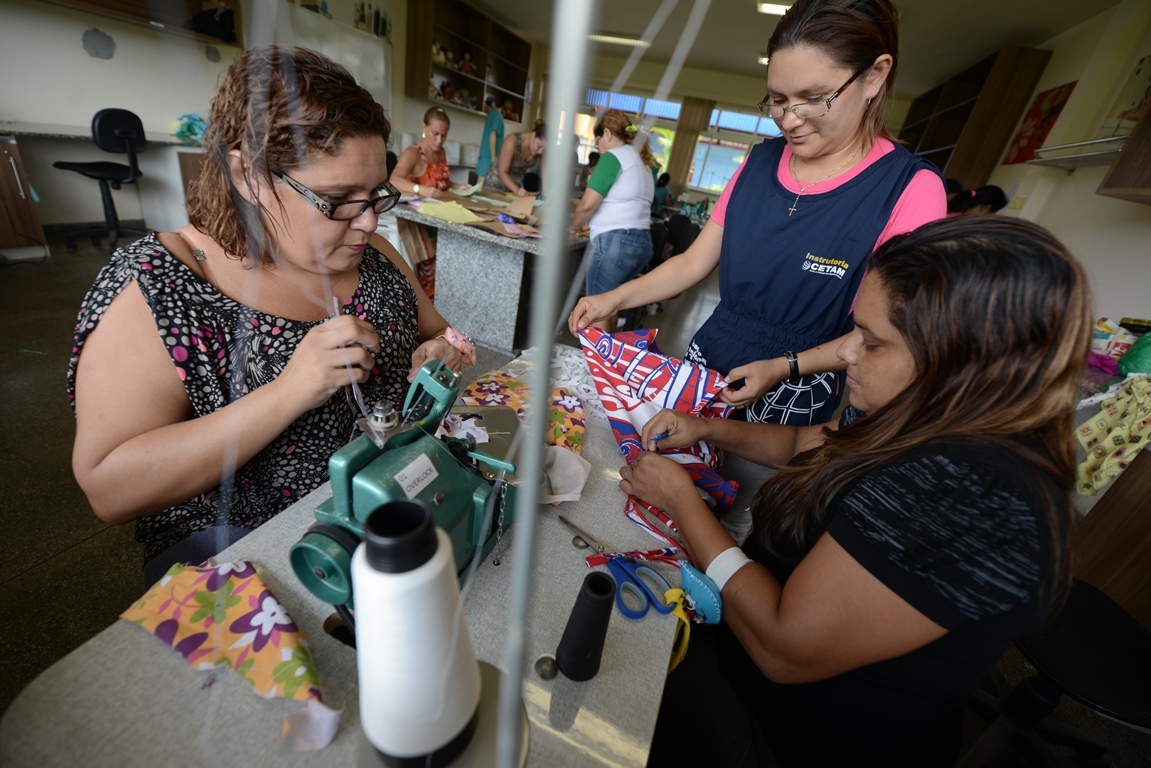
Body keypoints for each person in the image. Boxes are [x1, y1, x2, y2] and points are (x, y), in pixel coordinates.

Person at [632, 216, 1091, 767]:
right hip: (748, 663)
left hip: (788, 736)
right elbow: (809, 440)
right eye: (856, 331)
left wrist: (681, 500)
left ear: (961, 364)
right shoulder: (923, 416)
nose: (847, 354)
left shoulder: (971, 493)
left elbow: (782, 646)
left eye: (872, 343)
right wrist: (707, 428)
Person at [68, 46, 470, 585]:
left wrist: (442, 352)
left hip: (388, 503)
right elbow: (109, 487)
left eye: (375, 194)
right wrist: (289, 390)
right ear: (248, 175)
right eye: (337, 200)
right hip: (243, 549)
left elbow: (443, 334)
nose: (370, 221)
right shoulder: (160, 285)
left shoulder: (375, 261)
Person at [570, 0, 946, 428]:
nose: (790, 120)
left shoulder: (910, 189)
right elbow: (694, 261)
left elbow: (886, 333)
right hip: (711, 356)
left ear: (874, 76)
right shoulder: (759, 162)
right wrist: (612, 297)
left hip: (800, 377)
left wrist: (783, 366)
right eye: (778, 100)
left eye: (813, 99)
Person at [569, 110, 657, 332]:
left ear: (606, 133)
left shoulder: (613, 156)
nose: (598, 148)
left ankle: (595, 363)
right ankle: (607, 360)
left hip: (616, 243)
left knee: (596, 309)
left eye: (597, 142)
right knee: (611, 305)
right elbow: (626, 204)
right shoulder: (642, 162)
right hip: (641, 242)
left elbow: (587, 205)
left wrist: (572, 227)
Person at [390, 107, 470, 199]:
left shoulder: (441, 151)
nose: (439, 140)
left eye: (444, 135)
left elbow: (439, 180)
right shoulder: (413, 153)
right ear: (424, 127)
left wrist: (458, 187)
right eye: (435, 134)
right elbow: (394, 181)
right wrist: (420, 189)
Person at [483, 120, 546, 196]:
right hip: (496, 184)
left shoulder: (542, 149)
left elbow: (545, 170)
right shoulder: (512, 141)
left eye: (544, 149)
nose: (540, 152)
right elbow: (502, 171)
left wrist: (546, 192)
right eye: (539, 146)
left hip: (515, 187)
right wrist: (516, 190)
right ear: (533, 135)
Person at [475, 103, 505, 179]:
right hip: (489, 157)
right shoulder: (498, 116)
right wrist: (493, 158)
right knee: (483, 185)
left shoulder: (491, 114)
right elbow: (492, 135)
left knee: (480, 185)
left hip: (485, 156)